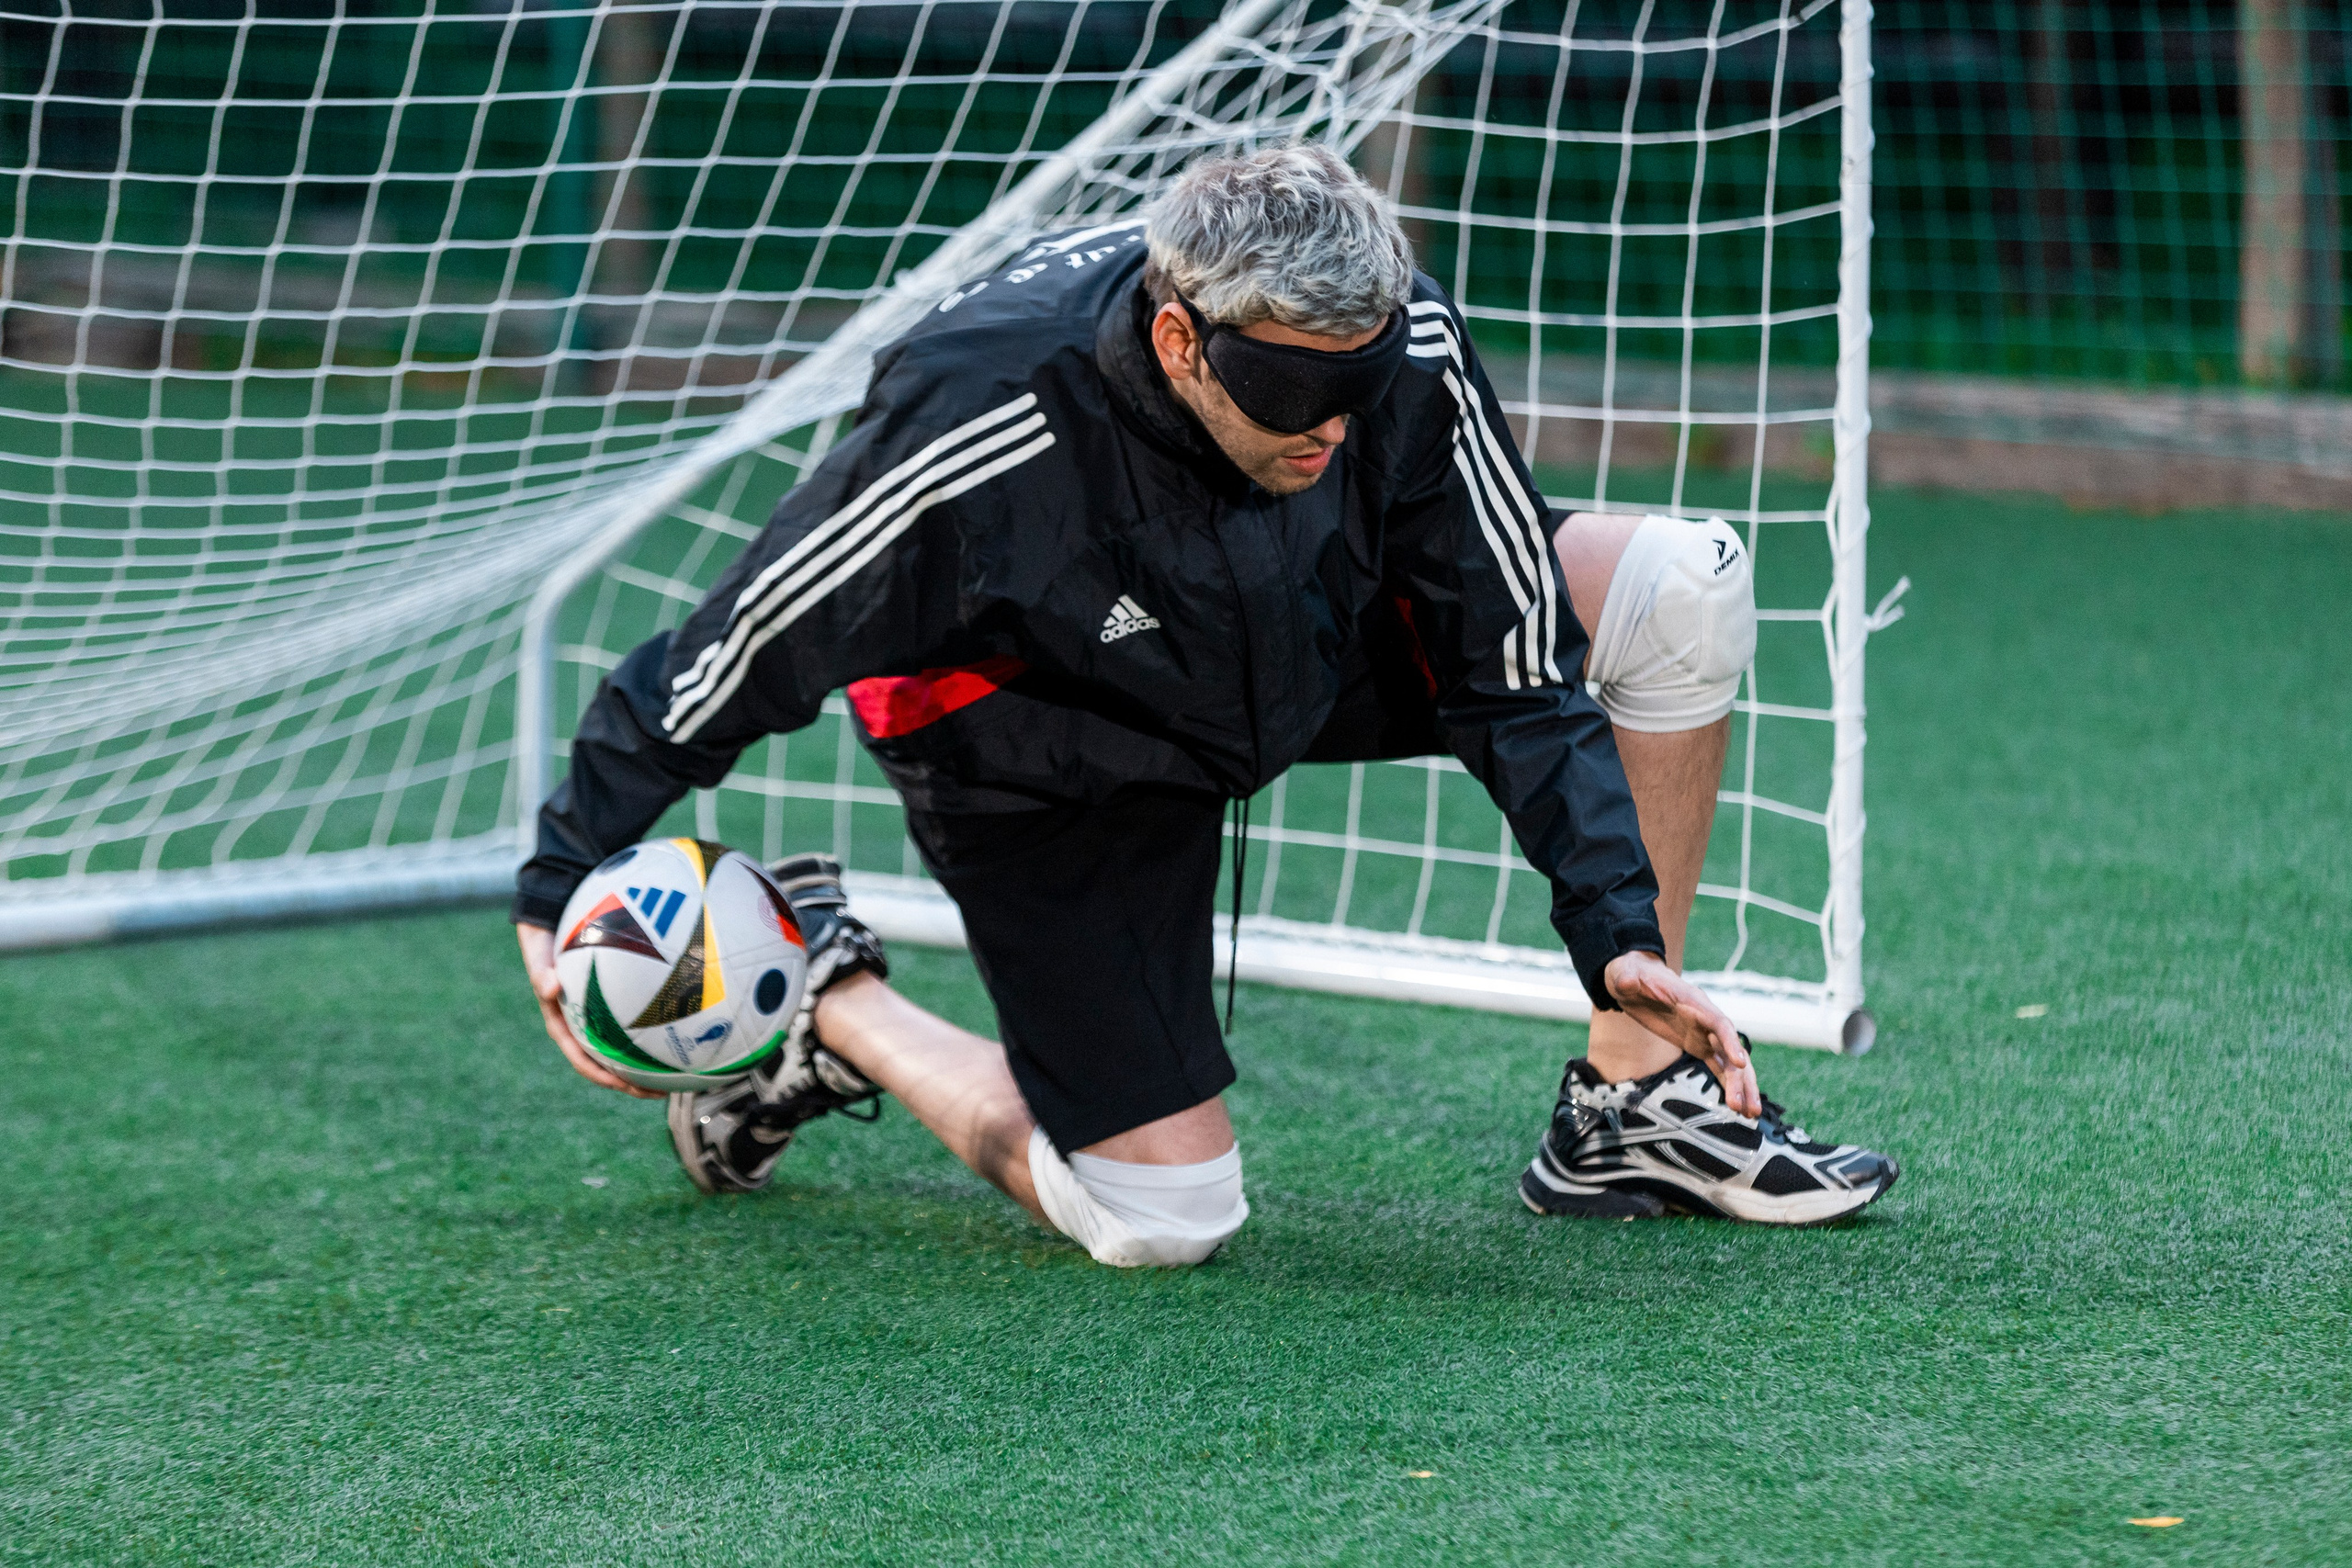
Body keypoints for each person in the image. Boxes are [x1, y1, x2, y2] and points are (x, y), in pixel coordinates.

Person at [513, 146, 1896, 1265]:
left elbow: (1507, 659)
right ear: (1180, 338)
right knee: (1163, 1221)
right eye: (1297, 385)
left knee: (1675, 585)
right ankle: (829, 992)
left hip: (1289, 643)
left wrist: (1614, 934)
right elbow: (748, 638)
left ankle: (1628, 1106)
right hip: (1045, 744)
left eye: (1360, 382)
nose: (1337, 424)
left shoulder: (1388, 351)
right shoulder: (978, 414)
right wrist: (561, 870)